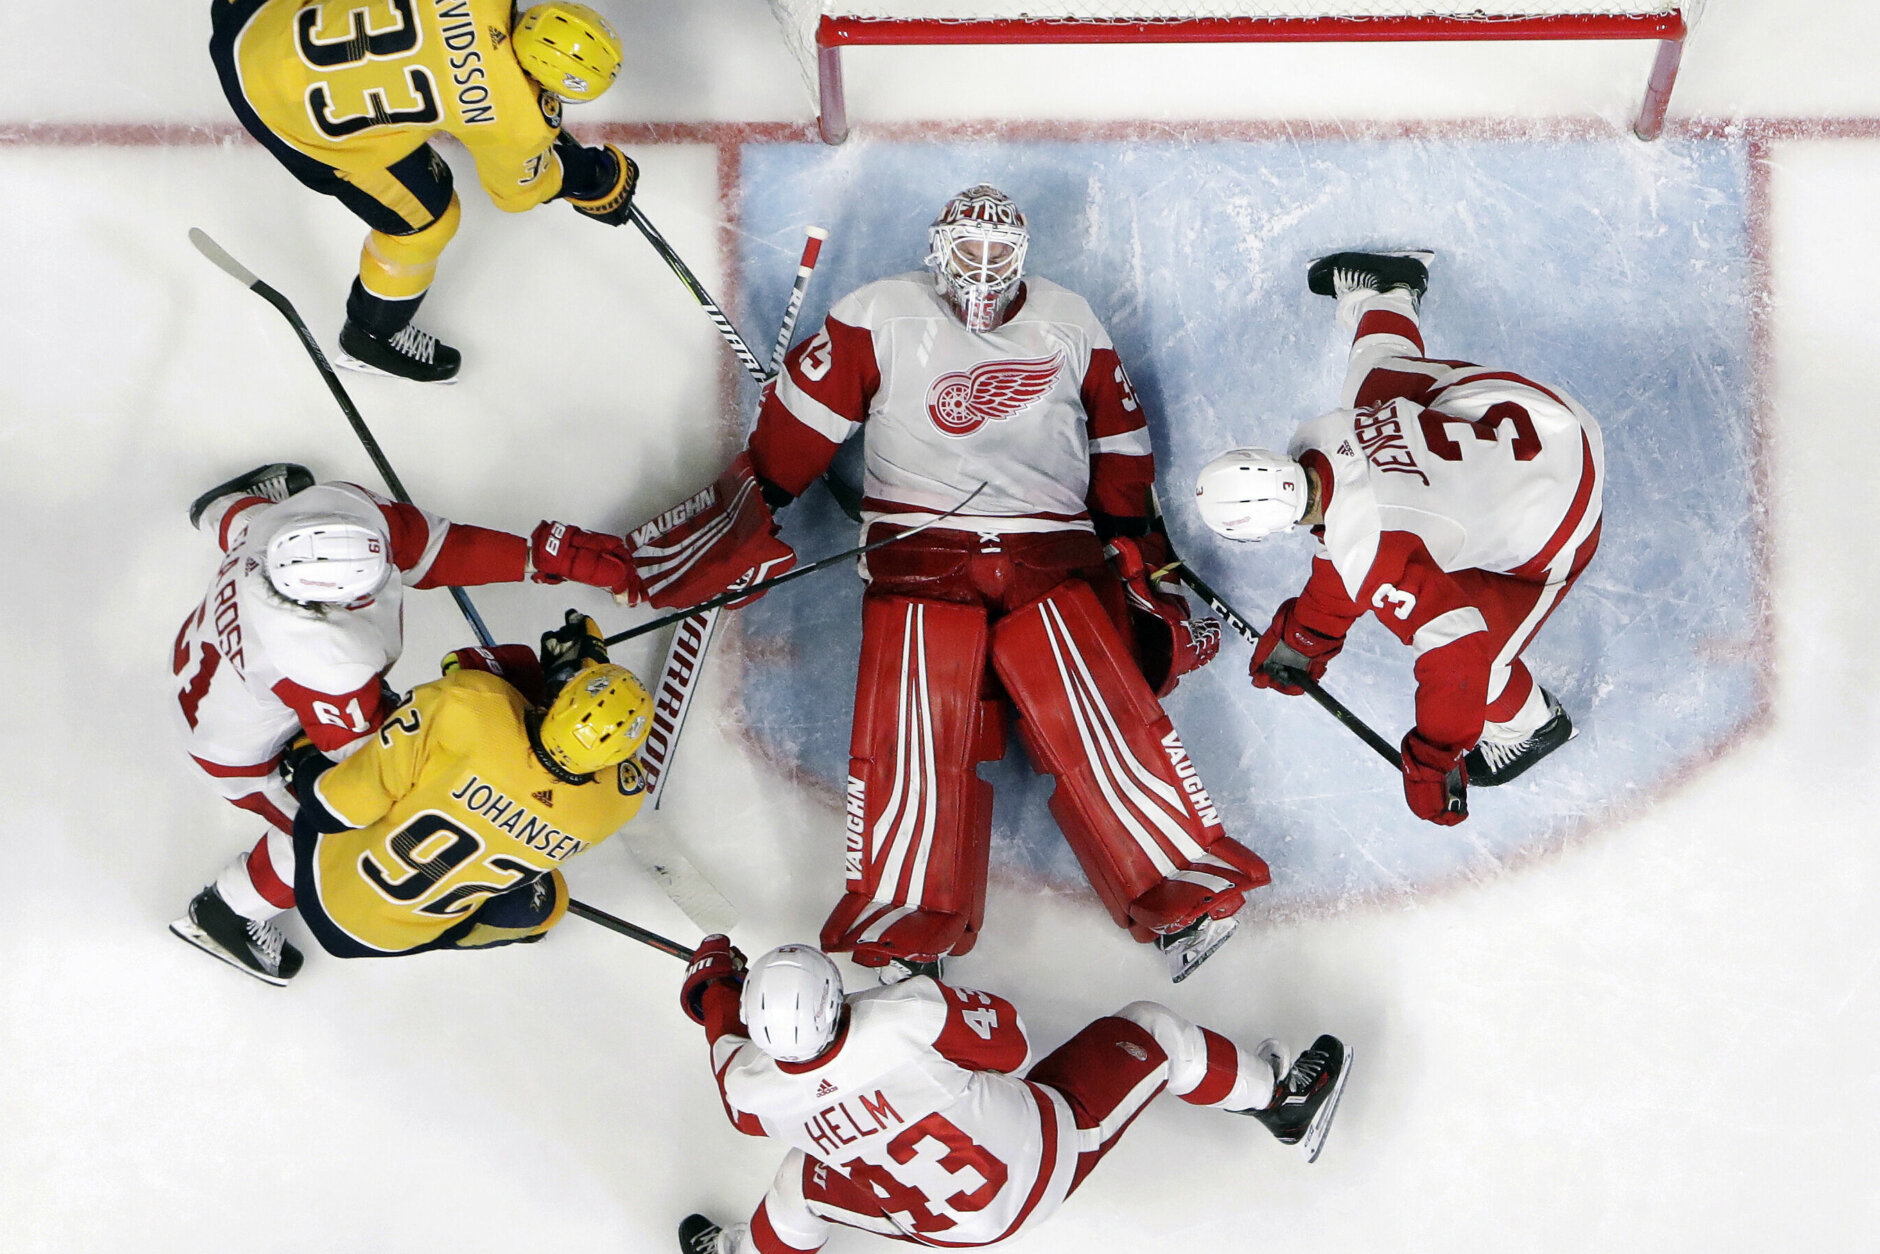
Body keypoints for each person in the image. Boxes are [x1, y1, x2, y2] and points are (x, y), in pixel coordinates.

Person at [629, 184, 1267, 983]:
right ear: (940, 248)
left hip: (1050, 555)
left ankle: (1179, 891)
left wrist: (1129, 537)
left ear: (1022, 255)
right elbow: (802, 420)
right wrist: (760, 502)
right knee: (913, 743)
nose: (983, 267)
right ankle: (909, 923)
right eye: (970, 249)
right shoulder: (880, 312)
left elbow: (1120, 435)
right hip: (921, 557)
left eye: (998, 252)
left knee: (1102, 725)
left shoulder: (1068, 318)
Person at [168, 461, 642, 983]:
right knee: (318, 837)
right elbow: (368, 781)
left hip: (228, 661)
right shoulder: (328, 665)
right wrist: (525, 709)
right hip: (245, 752)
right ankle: (223, 913)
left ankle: (220, 509)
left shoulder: (318, 519)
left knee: (248, 526)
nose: (387, 576)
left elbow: (429, 548)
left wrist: (537, 557)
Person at [1193, 250, 1604, 827]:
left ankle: (1533, 727)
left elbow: (1455, 651)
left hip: (1562, 515)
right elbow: (1351, 542)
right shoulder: (1323, 434)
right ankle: (1387, 291)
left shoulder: (1371, 547)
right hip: (1548, 421)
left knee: (1480, 663)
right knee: (1377, 381)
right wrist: (1308, 635)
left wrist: (1434, 759)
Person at [672, 938, 1351, 1254]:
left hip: (935, 1229)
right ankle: (1281, 1101)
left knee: (798, 1181)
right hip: (1039, 1162)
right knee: (1153, 1031)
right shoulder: (906, 1016)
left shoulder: (751, 1090)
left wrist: (716, 988)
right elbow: (1014, 1045)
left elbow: (727, 1046)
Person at [209, 0, 641, 382]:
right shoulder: (519, 122)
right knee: (429, 218)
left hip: (249, 19)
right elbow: (518, 191)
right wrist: (592, 177)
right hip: (284, 120)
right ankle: (372, 336)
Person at [270, 612, 652, 962]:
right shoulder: (617, 804)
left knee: (363, 771)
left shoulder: (471, 703)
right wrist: (587, 678)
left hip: (321, 874)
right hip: (392, 939)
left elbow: (330, 813)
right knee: (552, 904)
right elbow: (605, 755)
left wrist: (306, 757)